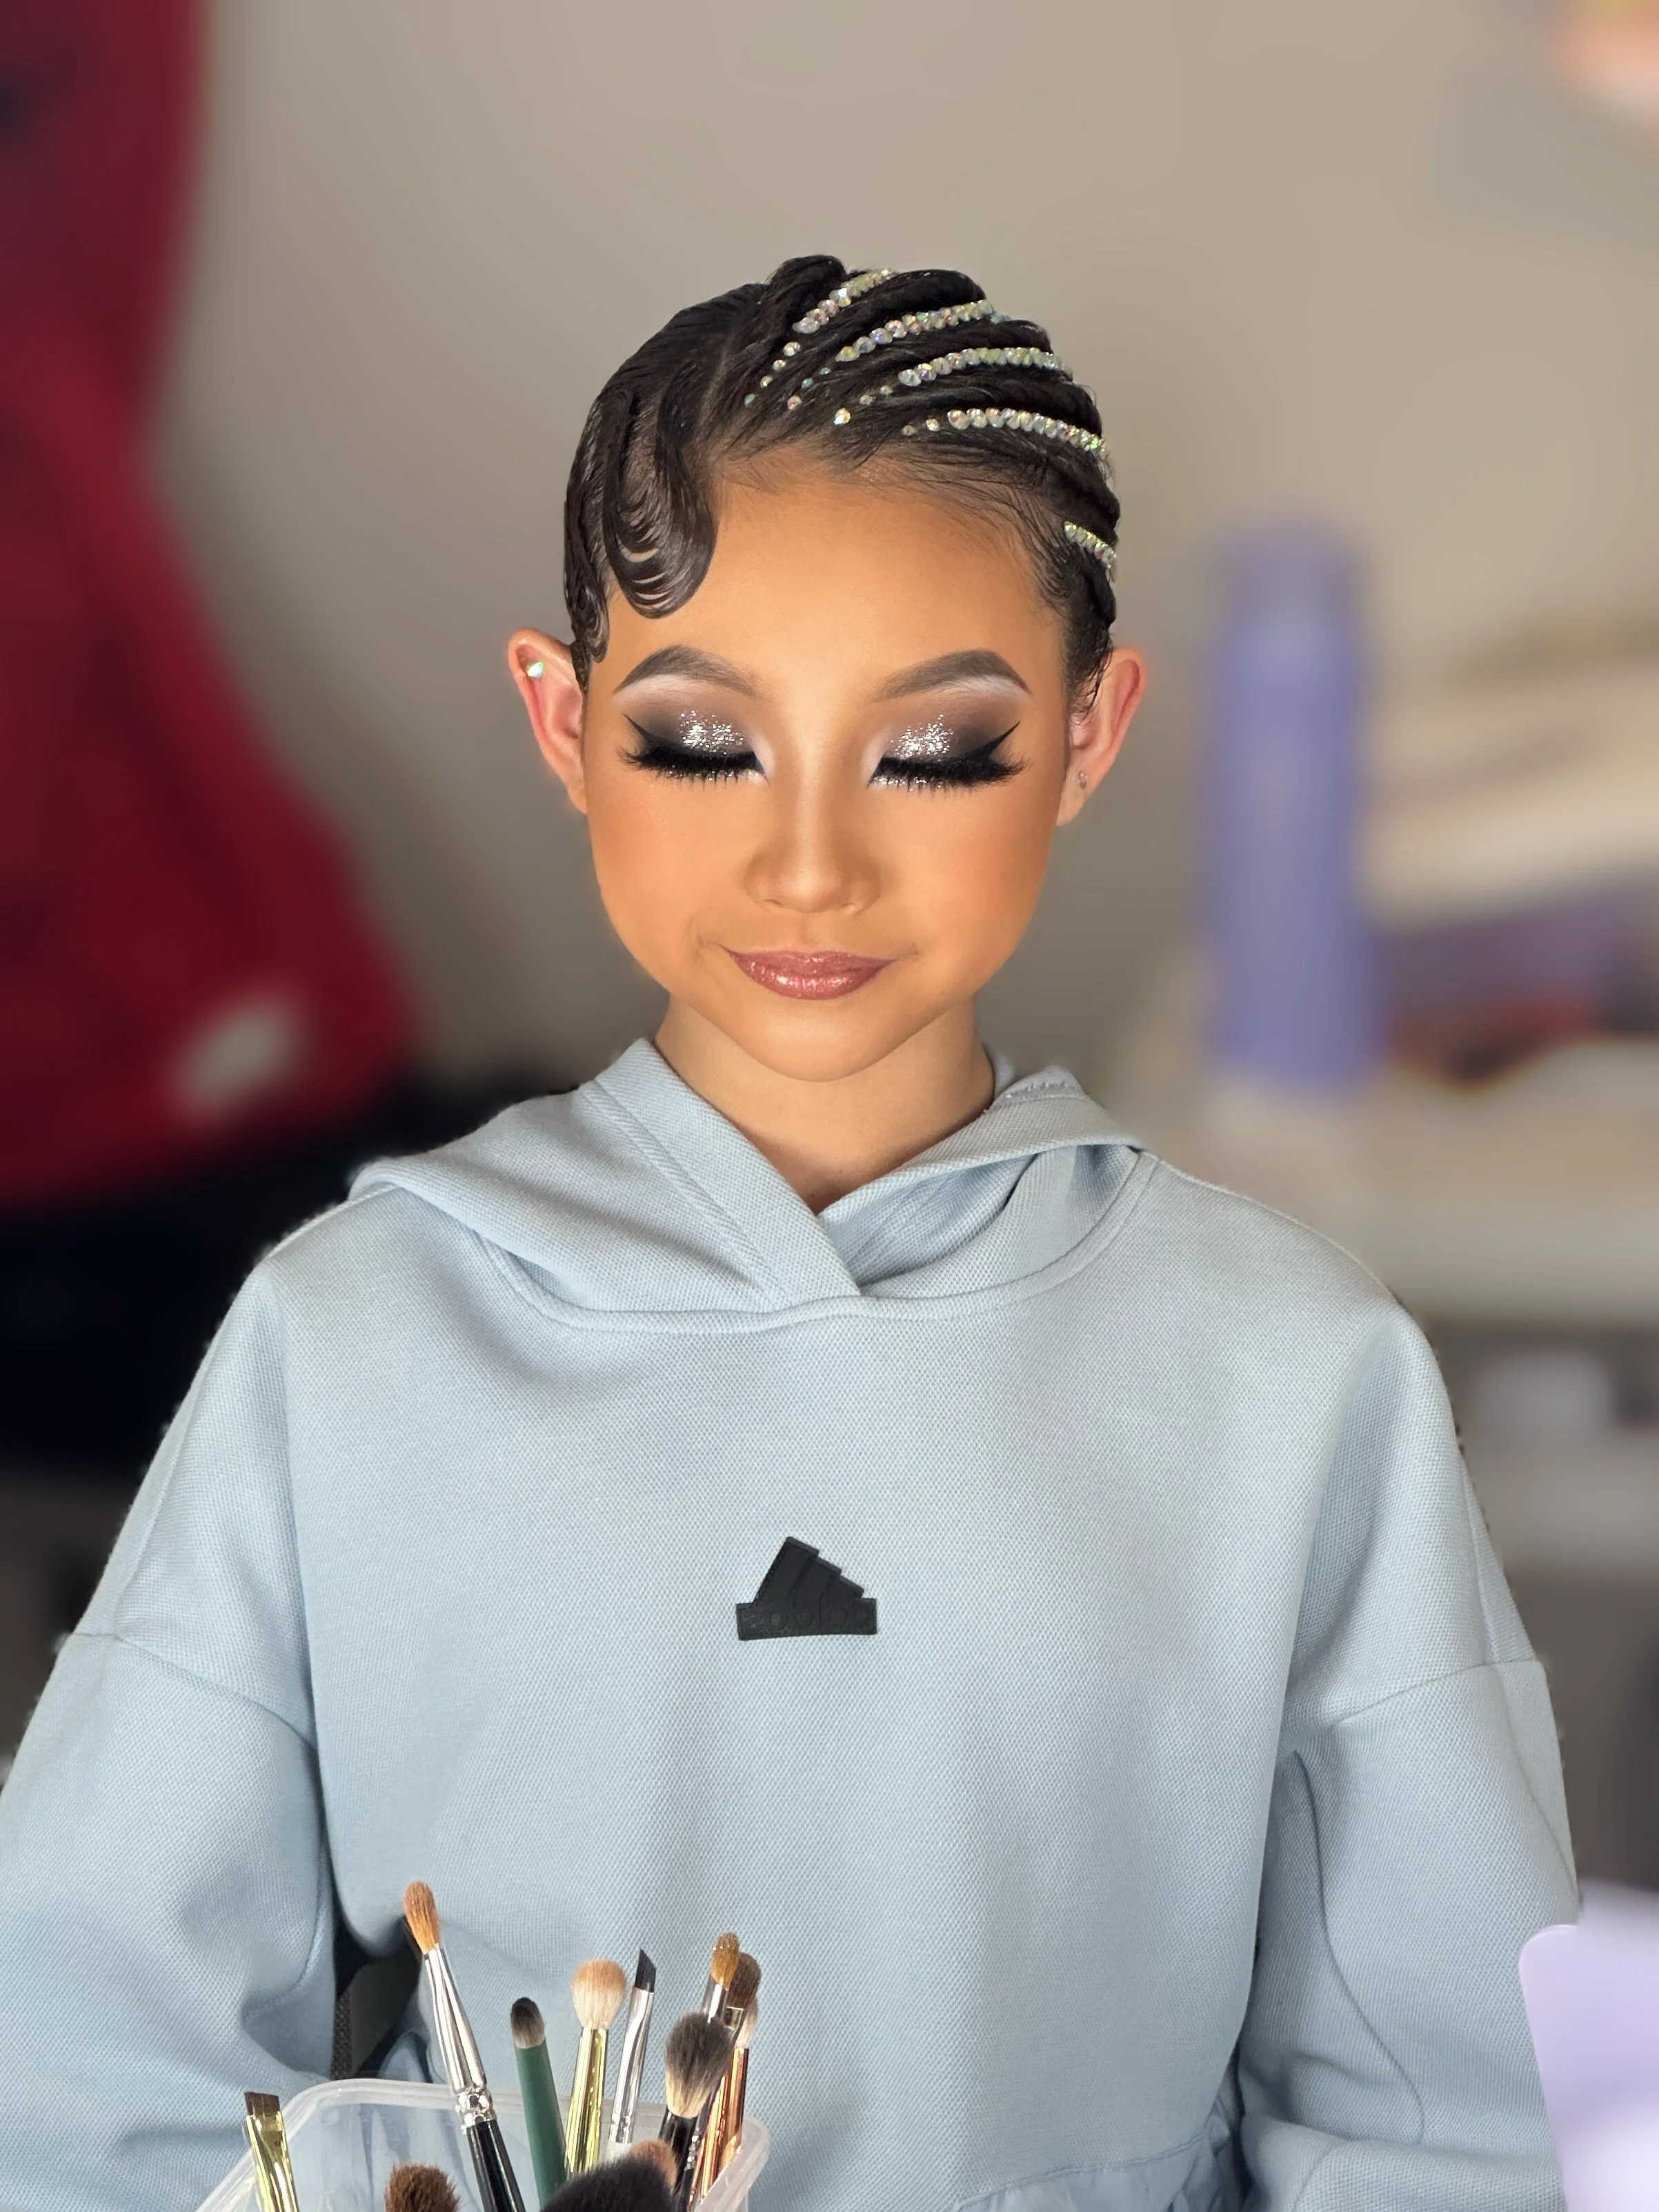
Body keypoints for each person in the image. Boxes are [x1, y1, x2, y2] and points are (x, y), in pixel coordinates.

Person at [0, 257, 1573, 2212]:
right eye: (697, 740)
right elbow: (82, 2073)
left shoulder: (1288, 1371)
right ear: (563, 722)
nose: (808, 856)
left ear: (1088, 732)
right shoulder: (352, 1341)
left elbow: (1454, 2121)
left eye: (932, 748)